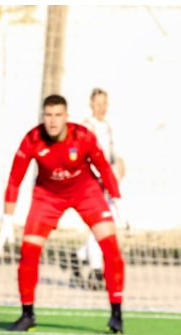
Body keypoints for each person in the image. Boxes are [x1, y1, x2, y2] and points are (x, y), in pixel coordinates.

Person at [0, 94, 128, 334]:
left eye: (58, 115)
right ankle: (27, 315)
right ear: (43, 117)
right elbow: (15, 179)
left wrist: (117, 202)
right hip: (48, 196)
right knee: (28, 252)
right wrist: (7, 220)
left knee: (111, 248)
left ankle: (116, 314)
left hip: (86, 192)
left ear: (66, 117)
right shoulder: (32, 140)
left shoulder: (83, 137)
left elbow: (104, 169)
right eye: (48, 115)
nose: (53, 121)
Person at [71, 88, 127, 290]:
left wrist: (120, 169)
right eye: (98, 103)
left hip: (108, 182)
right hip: (92, 182)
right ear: (91, 104)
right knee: (100, 224)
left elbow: (115, 155)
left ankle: (78, 257)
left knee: (105, 224)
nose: (102, 108)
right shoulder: (86, 127)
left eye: (105, 103)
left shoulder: (109, 127)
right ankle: (96, 271)